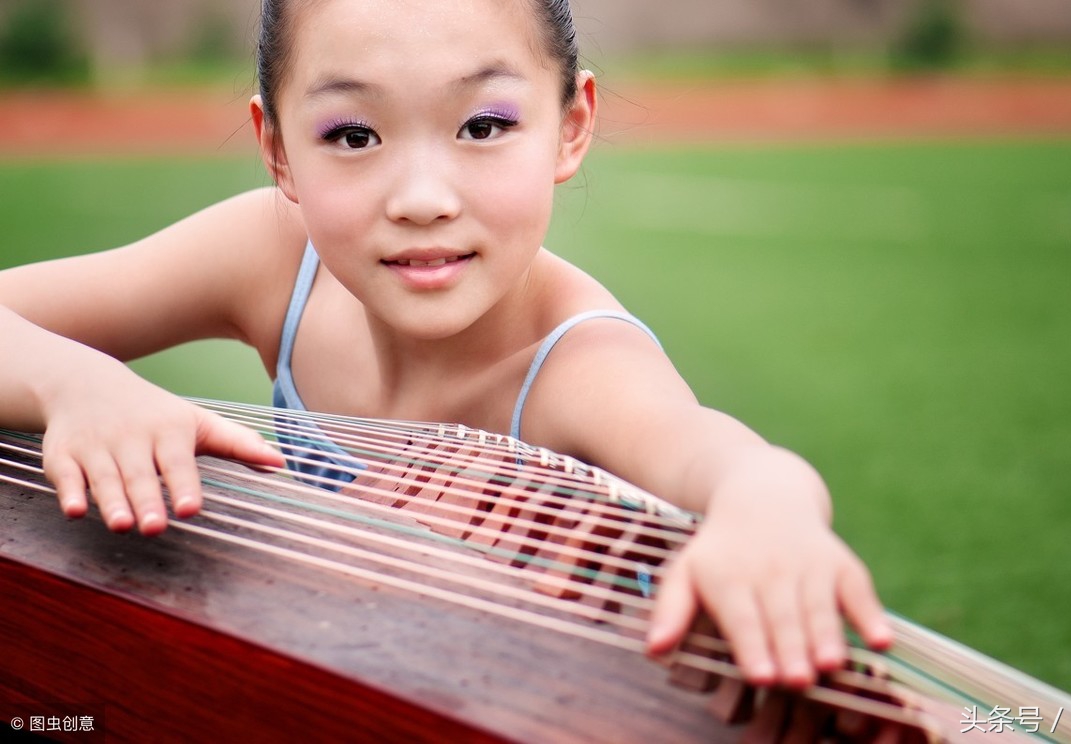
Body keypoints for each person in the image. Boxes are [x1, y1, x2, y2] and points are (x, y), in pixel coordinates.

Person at [0, 0, 891, 689]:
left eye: (484, 125)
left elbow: (729, 462)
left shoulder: (576, 368)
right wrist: (72, 381)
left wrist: (768, 512)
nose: (422, 196)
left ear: (571, 125)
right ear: (276, 148)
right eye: (353, 135)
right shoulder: (276, 258)